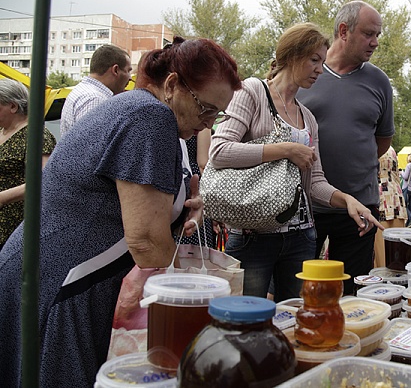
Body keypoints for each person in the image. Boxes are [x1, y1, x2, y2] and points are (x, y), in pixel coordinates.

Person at [0, 37, 241, 388]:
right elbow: (146, 242)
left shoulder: (140, 109)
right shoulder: (151, 117)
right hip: (62, 284)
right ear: (172, 85)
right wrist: (218, 296)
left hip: (47, 272)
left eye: (217, 114)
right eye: (206, 108)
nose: (209, 123)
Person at [209, 23, 381, 302]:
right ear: (291, 55)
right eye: (314, 60)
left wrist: (347, 200)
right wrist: (286, 149)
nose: (319, 69)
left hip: (301, 238)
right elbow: (220, 151)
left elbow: (315, 183)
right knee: (244, 320)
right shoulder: (253, 92)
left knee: (294, 318)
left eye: (322, 62)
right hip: (253, 236)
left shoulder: (308, 118)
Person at [296, 1, 395, 294]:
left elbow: (383, 140)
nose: (375, 42)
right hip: (305, 205)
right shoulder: (306, 74)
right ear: (343, 31)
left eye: (378, 34)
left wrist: (351, 164)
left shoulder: (379, 82)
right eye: (368, 34)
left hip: (359, 206)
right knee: (299, 288)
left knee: (352, 293)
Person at [0, 79, 56, 249]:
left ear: (13, 106)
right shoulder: (3, 131)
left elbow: (43, 180)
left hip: (15, 228)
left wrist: (2, 198)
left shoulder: (36, 135)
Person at [60, 44, 133, 136]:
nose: (130, 78)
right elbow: (91, 145)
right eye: (128, 71)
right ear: (116, 70)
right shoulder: (95, 100)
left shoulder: (83, 91)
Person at [374, 146, 408, 267]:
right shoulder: (390, 148)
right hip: (396, 199)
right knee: (397, 251)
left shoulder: (371, 145)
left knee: (381, 254)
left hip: (380, 198)